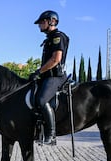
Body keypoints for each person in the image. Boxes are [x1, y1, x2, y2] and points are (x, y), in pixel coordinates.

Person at [29, 10, 69, 145]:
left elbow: (56, 59)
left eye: (42, 22)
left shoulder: (57, 36)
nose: (39, 25)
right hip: (47, 76)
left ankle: (51, 135)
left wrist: (39, 71)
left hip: (56, 77)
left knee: (41, 100)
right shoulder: (49, 38)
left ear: (51, 21)